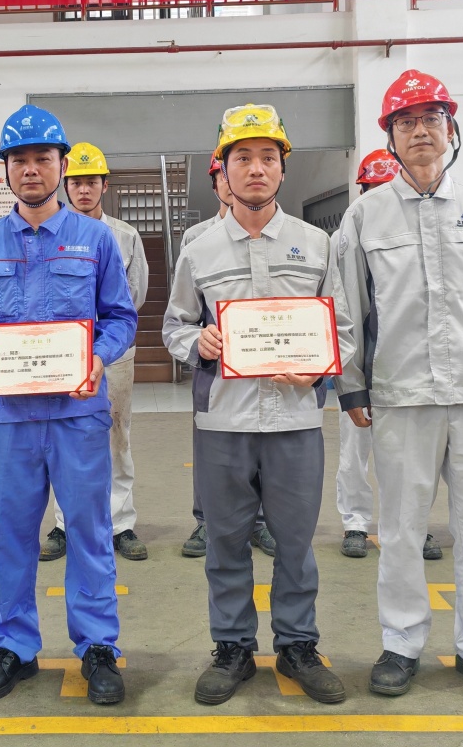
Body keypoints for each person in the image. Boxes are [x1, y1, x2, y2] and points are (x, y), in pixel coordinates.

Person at [334, 70, 463, 704]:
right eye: (406, 122)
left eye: (431, 119)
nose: (420, 130)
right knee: (400, 529)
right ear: (390, 137)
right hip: (401, 397)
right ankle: (401, 643)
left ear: (451, 129)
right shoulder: (364, 215)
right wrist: (352, 384)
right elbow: (348, 307)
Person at [163, 105, 351, 706]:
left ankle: (297, 645)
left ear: (282, 168)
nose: (256, 168)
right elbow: (174, 324)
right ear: (223, 169)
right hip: (224, 421)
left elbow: (343, 329)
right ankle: (233, 648)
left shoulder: (316, 244)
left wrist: (320, 364)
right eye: (242, 157)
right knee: (226, 542)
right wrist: (197, 342)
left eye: (268, 157)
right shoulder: (199, 249)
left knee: (295, 542)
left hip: (295, 419)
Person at [0, 105, 138, 706]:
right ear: (5, 169)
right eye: (20, 160)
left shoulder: (95, 239)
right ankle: (14, 645)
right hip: (9, 417)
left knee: (88, 529)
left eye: (42, 158)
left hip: (78, 412)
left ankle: (97, 646)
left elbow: (121, 317)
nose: (31, 169)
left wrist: (98, 357)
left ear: (61, 165)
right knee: (11, 533)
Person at [42, 142, 150, 563]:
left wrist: (102, 342)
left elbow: (133, 297)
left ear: (105, 185)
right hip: (60, 357)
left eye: (91, 182)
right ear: (65, 185)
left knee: (117, 435)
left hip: (114, 354)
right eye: (76, 182)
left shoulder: (125, 236)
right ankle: (64, 524)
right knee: (60, 436)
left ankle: (120, 523)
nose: (83, 190)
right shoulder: (48, 232)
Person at [337, 150, 443, 563]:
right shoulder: (347, 235)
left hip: (408, 370)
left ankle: (415, 524)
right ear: (361, 191)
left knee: (413, 458)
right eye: (372, 188)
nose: (380, 195)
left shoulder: (424, 238)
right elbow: (341, 309)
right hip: (361, 368)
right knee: (355, 451)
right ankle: (355, 523)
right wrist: (348, 377)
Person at [180, 156, 277, 561]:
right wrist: (199, 341)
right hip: (218, 372)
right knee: (210, 451)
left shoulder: (284, 235)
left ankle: (260, 522)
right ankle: (206, 520)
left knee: (269, 450)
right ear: (218, 181)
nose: (228, 181)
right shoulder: (197, 238)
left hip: (273, 369)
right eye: (221, 175)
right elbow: (184, 308)